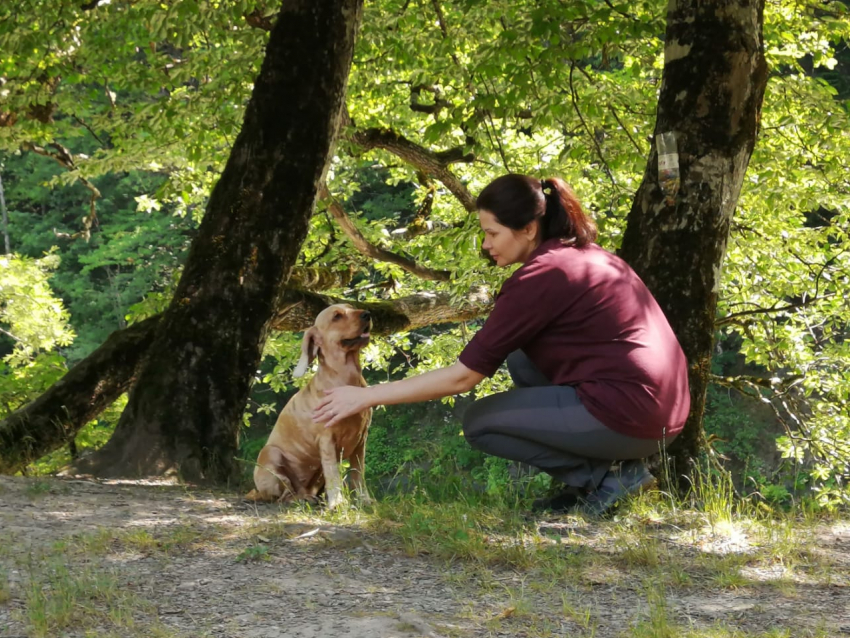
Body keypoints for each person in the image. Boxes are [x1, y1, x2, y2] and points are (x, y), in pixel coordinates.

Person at [313, 173, 691, 515]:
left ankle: (606, 479)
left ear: (528, 229)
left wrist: (366, 396)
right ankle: (600, 479)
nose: (485, 244)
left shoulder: (541, 276)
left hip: (632, 416)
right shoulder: (585, 255)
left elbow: (462, 378)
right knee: (522, 358)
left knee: (481, 423)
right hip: (662, 411)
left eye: (492, 233)